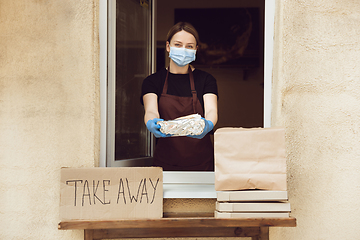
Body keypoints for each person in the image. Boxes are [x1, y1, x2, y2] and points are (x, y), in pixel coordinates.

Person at [141, 22, 218, 171]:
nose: (183, 50)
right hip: (166, 163)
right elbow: (150, 110)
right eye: (178, 44)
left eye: (189, 46)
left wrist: (207, 125)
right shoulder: (152, 81)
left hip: (202, 163)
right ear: (168, 47)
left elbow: (212, 111)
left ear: (196, 50)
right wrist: (151, 122)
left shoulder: (206, 80)